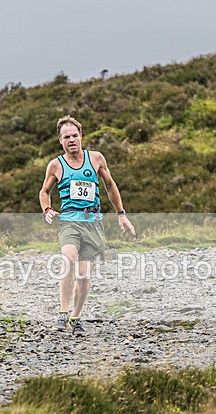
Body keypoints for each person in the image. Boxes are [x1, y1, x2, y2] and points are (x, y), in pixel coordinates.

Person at [39, 115, 135, 335]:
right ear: (60, 141)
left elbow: (110, 186)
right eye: (66, 137)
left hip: (93, 222)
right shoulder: (56, 164)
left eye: (75, 135)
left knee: (83, 276)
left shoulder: (96, 159)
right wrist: (47, 209)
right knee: (68, 259)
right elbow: (44, 192)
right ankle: (62, 314)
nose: (71, 140)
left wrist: (121, 214)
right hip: (69, 221)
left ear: (81, 136)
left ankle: (76, 318)